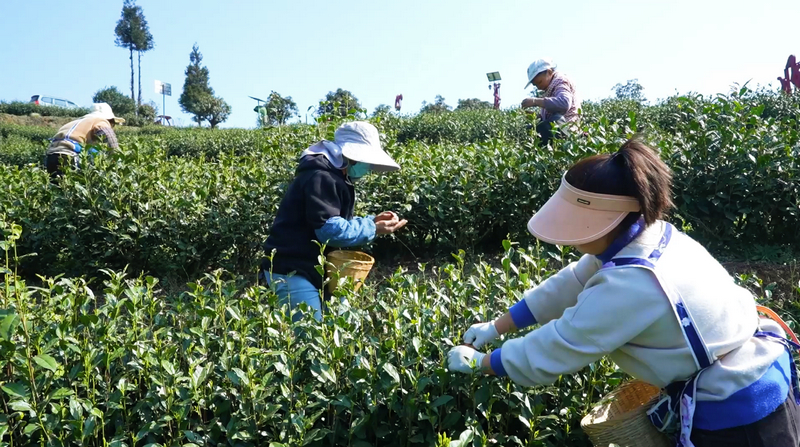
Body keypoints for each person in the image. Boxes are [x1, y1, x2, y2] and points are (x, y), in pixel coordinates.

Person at [447, 138, 800, 446]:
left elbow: (561, 345)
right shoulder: (648, 235)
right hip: (757, 375)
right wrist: (496, 327)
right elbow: (569, 283)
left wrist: (481, 363)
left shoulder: (634, 282)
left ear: (610, 220)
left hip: (741, 415)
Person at [261, 121, 407, 321]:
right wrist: (373, 227)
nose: (368, 168)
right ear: (349, 156)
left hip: (316, 267)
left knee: (339, 330)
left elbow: (331, 220)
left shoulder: (334, 177)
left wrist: (370, 221)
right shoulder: (321, 177)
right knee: (311, 336)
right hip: (292, 268)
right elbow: (329, 230)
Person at [44, 103, 124, 178]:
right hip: (69, 155)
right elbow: (109, 136)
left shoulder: (77, 122)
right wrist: (115, 160)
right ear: (110, 120)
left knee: (58, 188)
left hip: (51, 156)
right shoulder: (101, 121)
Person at [521, 58, 581, 147]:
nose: (538, 87)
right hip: (558, 131)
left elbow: (564, 103)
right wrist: (536, 117)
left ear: (549, 72)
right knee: (531, 130)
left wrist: (535, 101)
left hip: (568, 130)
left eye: (539, 82)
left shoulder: (560, 81)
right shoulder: (549, 89)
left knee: (552, 122)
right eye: (535, 85)